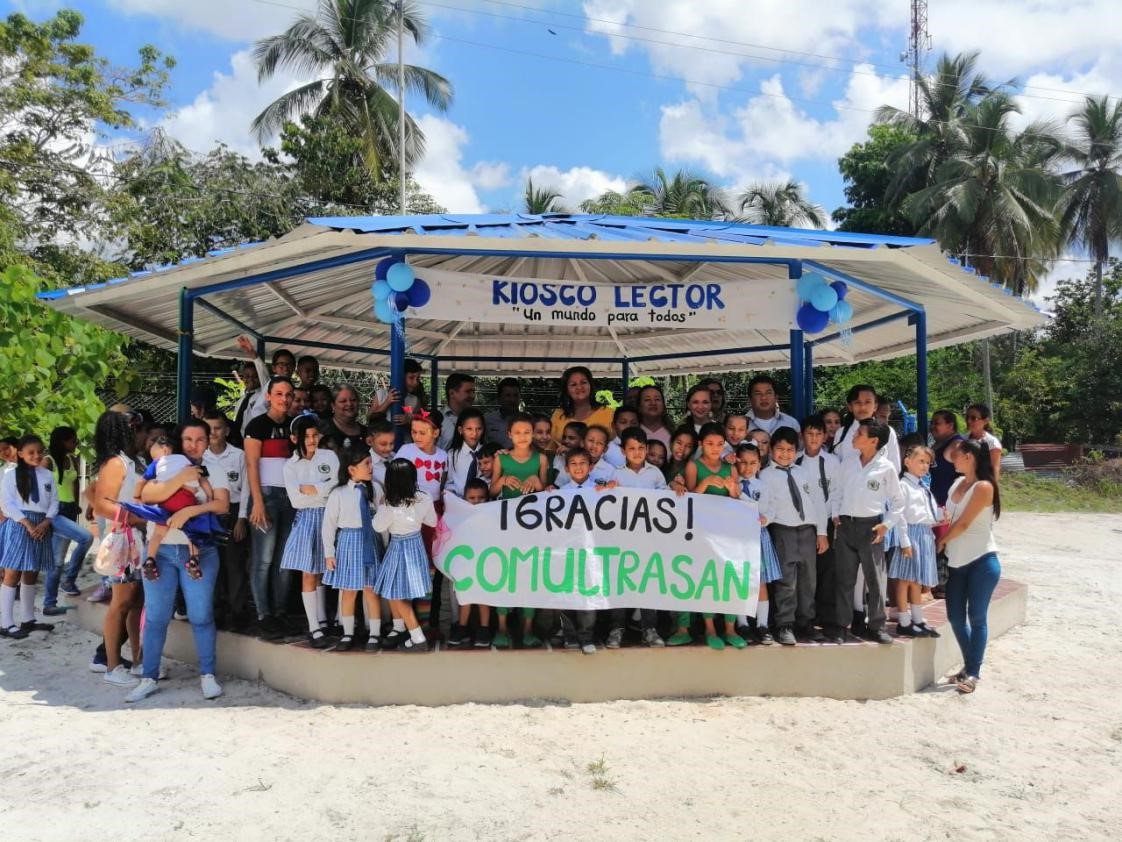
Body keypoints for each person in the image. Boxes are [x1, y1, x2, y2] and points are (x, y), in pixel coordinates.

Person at [127, 418, 230, 703]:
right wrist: (180, 479)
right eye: (188, 439)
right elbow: (145, 495)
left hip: (199, 551)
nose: (194, 445)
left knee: (200, 615)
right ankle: (149, 676)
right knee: (157, 616)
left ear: (208, 441)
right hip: (160, 552)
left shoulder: (212, 468)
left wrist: (189, 512)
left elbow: (221, 504)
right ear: (179, 441)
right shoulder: (166, 465)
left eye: (200, 439)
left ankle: (207, 675)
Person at [830, 419, 904, 645]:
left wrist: (887, 524)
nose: (854, 436)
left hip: (871, 527)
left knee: (875, 580)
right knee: (844, 580)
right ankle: (842, 626)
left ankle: (877, 626)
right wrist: (835, 513)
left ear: (873, 440)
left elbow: (898, 502)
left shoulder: (886, 467)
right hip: (845, 526)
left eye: (859, 433)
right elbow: (837, 490)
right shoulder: (848, 463)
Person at [937, 439, 1002, 694]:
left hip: (981, 561)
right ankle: (969, 665)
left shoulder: (984, 487)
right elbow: (950, 517)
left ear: (969, 457)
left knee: (976, 618)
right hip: (957, 561)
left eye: (956, 454)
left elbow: (963, 524)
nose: (951, 457)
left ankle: (973, 672)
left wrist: (941, 541)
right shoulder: (956, 483)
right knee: (954, 617)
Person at [88, 411, 146, 683]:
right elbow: (102, 504)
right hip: (125, 537)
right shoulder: (115, 464)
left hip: (137, 536)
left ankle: (137, 660)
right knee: (121, 602)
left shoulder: (130, 461)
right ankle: (112, 666)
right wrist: (135, 518)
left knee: (137, 602)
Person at [759, 426, 828, 645]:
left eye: (790, 449)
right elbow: (767, 504)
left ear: (796, 451)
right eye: (780, 449)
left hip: (807, 530)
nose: (785, 454)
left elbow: (817, 502)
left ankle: (805, 622)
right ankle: (784, 624)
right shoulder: (765, 475)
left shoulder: (802, 472)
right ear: (771, 450)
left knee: (809, 580)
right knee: (786, 580)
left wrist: (821, 532)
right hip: (782, 530)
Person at [676, 422, 741, 650]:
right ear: (701, 444)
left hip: (726, 533)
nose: (715, 448)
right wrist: (705, 484)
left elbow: (738, 500)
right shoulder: (693, 466)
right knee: (706, 577)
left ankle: (730, 628)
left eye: (719, 444)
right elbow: (688, 498)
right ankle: (709, 628)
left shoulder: (730, 468)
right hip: (700, 533)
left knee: (728, 578)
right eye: (710, 444)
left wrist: (733, 488)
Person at [602, 427, 666, 649]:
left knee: (647, 581)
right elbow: (606, 505)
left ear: (647, 449)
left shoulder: (656, 474)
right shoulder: (616, 474)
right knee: (620, 582)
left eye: (641, 448)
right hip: (622, 538)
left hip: (648, 538)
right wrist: (608, 490)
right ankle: (617, 628)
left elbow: (667, 504)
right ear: (622, 451)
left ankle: (649, 628)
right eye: (631, 448)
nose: (637, 452)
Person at [490, 412, 548, 648]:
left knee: (529, 576)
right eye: (517, 432)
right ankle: (502, 628)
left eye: (526, 432)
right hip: (507, 527)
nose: (522, 436)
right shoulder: (501, 460)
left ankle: (527, 629)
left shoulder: (541, 459)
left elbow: (548, 493)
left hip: (534, 527)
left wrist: (538, 483)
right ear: (509, 435)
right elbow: (492, 491)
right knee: (506, 575)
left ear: (533, 434)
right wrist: (502, 481)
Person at [280, 415, 338, 648]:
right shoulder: (290, 466)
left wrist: (314, 489)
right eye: (307, 437)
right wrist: (322, 491)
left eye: (315, 435)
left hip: (330, 516)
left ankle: (324, 619)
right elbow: (296, 501)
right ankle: (314, 625)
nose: (312, 440)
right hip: (306, 520)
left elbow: (335, 486)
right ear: (295, 439)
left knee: (326, 569)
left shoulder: (329, 457)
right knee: (309, 572)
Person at [244, 376, 296, 640]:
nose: (284, 399)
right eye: (279, 394)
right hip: (265, 495)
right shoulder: (257, 425)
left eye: (288, 394)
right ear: (268, 396)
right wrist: (258, 503)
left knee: (284, 561)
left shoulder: (295, 425)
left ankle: (280, 612)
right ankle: (263, 614)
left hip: (291, 498)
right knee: (263, 559)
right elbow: (252, 465)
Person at [372, 458, 438, 652]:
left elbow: (377, 526)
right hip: (416, 545)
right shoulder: (424, 497)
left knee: (396, 594)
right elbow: (432, 522)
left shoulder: (390, 505)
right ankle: (406, 631)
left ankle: (418, 638)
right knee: (403, 593)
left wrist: (382, 506)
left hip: (398, 548)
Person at [322, 447, 384, 653]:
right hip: (348, 541)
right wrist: (329, 553)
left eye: (370, 462)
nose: (370, 467)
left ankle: (374, 633)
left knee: (371, 590)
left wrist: (385, 545)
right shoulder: (338, 493)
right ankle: (348, 632)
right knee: (348, 591)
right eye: (366, 463)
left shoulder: (375, 488)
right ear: (351, 469)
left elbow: (383, 516)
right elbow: (329, 524)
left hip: (370, 540)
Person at [394, 408, 447, 636]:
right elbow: (394, 478)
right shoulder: (405, 450)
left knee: (430, 569)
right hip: (410, 513)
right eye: (414, 432)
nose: (417, 436)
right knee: (411, 567)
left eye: (423, 432)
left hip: (434, 514)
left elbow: (444, 488)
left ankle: (425, 624)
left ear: (436, 433)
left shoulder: (444, 456)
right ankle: (407, 624)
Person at [0, 434, 58, 640]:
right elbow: (6, 504)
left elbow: (54, 502)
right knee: (12, 572)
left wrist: (45, 522)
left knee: (32, 571)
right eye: (31, 452)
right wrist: (27, 523)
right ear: (21, 453)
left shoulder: (47, 475)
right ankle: (6, 623)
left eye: (39, 451)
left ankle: (28, 619)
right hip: (19, 524)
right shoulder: (10, 474)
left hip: (41, 525)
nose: (36, 455)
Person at [202, 411, 252, 631]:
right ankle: (215, 611)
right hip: (208, 512)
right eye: (209, 428)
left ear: (227, 431)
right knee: (212, 564)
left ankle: (237, 613)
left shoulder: (238, 455)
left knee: (235, 565)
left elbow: (246, 490)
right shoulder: (200, 456)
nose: (213, 433)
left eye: (218, 428)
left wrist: (241, 519)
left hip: (232, 512)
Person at [891, 443, 942, 638]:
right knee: (905, 579)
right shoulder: (904, 486)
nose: (925, 466)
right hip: (910, 534)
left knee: (917, 580)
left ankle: (918, 619)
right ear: (907, 462)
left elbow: (926, 511)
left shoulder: (923, 486)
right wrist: (904, 541)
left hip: (924, 533)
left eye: (928, 463)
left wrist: (938, 517)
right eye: (920, 461)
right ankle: (904, 620)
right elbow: (901, 515)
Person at [42, 425, 93, 614]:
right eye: (73, 440)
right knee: (86, 537)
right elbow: (38, 487)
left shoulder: (71, 459)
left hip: (69, 509)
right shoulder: (47, 462)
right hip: (55, 512)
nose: (76, 443)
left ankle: (49, 604)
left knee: (57, 561)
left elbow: (75, 485)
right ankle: (69, 579)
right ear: (62, 442)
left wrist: (77, 506)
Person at [733, 442, 780, 645]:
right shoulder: (731, 484)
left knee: (760, 581)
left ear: (759, 464)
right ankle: (742, 623)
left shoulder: (763, 487)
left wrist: (766, 519)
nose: (747, 467)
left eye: (753, 463)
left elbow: (769, 509)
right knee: (738, 579)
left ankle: (762, 624)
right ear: (736, 462)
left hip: (758, 536)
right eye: (743, 462)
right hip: (736, 537)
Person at [798, 416, 840, 630]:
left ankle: (828, 620)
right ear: (802, 436)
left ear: (824, 437)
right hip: (802, 524)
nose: (813, 438)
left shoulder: (832, 462)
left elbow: (835, 493)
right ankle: (806, 617)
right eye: (809, 434)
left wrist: (825, 527)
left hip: (828, 523)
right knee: (806, 573)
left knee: (828, 571)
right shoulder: (795, 461)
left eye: (818, 434)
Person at [555, 448, 598, 655]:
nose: (579, 467)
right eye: (574, 463)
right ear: (566, 468)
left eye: (583, 463)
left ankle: (586, 636)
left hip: (592, 553)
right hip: (568, 551)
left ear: (591, 466)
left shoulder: (601, 491)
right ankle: (570, 635)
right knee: (567, 593)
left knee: (589, 595)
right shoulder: (560, 493)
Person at [447, 477, 493, 649]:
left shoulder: (492, 514)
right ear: (464, 499)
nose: (476, 502)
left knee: (484, 596)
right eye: (472, 498)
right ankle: (462, 628)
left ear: (487, 498)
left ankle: (484, 629)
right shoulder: (459, 516)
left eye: (481, 498)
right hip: (465, 563)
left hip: (486, 562)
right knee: (464, 596)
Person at [833, 385, 901, 471]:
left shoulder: (888, 432)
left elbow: (895, 468)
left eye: (867, 402)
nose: (863, 407)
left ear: (875, 406)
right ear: (850, 406)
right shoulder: (841, 433)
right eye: (858, 402)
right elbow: (836, 468)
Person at [549, 366, 614, 446]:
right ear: (567, 390)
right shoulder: (558, 415)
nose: (579, 387)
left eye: (583, 382)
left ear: (590, 385)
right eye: (573, 384)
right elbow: (550, 446)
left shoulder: (609, 413)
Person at [368, 359, 426, 436]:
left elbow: (421, 424)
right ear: (401, 377)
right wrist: (387, 402)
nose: (415, 382)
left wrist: (409, 421)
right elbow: (370, 418)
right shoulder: (381, 394)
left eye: (418, 379)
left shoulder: (415, 400)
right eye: (411, 378)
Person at [445, 409, 486, 500]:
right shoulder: (452, 454)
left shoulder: (487, 453)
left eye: (479, 429)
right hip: (458, 503)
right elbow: (449, 482)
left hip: (482, 504)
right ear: (460, 430)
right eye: (469, 429)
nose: (474, 433)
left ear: (483, 429)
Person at [929, 410, 964, 507]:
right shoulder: (938, 444)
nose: (932, 427)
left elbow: (967, 476)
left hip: (949, 506)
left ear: (950, 426)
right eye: (931, 423)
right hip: (936, 504)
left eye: (937, 423)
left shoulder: (957, 445)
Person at [438, 373, 477, 450]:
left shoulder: (476, 419)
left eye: (473, 391)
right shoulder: (438, 419)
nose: (472, 396)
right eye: (468, 391)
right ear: (452, 393)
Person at [964, 403, 1002, 480]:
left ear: (985, 421)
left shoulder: (992, 443)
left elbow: (995, 470)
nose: (969, 421)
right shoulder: (963, 439)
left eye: (973, 418)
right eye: (967, 417)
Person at [324, 385, 367, 451]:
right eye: (343, 401)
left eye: (353, 400)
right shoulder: (323, 431)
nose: (349, 404)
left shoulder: (367, 433)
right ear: (333, 406)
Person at [230, 360, 261, 447]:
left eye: (255, 376)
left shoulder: (263, 397)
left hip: (254, 441)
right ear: (243, 378)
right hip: (239, 442)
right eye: (247, 376)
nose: (250, 379)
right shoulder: (242, 399)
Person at [484, 377, 522, 449]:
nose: (512, 399)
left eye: (516, 395)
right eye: (508, 395)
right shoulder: (487, 420)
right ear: (499, 398)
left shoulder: (529, 421)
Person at [636, 384, 674, 449]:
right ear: (639, 407)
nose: (653, 403)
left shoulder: (674, 433)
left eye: (657, 399)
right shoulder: (632, 433)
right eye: (647, 399)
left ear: (663, 405)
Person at [664, 425, 698, 493]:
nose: (682, 449)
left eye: (688, 446)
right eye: (679, 443)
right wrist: (672, 484)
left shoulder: (692, 470)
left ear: (692, 450)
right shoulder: (662, 463)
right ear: (671, 443)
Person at [366, 420, 396, 491]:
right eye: (383, 444)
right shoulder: (367, 464)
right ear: (369, 441)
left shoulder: (395, 456)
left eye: (391, 443)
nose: (389, 448)